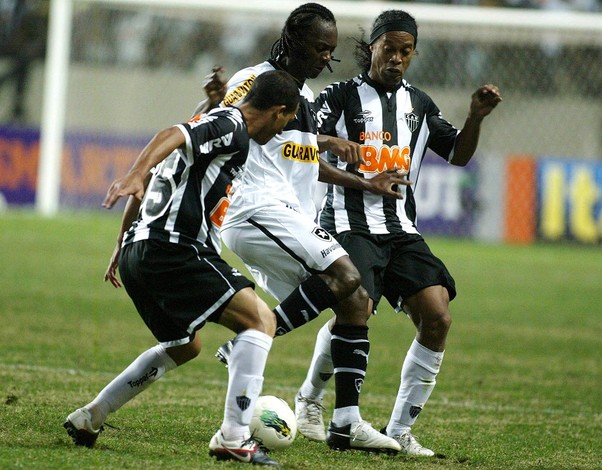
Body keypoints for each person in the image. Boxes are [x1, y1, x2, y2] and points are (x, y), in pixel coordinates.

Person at [292, 9, 503, 456]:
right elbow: (304, 150)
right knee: (357, 307)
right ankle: (310, 399)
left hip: (400, 228)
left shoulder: (420, 105)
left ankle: (400, 428)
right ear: (373, 47)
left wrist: (476, 117)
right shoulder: (339, 96)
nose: (397, 58)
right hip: (347, 222)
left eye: (406, 51)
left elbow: (458, 154)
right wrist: (355, 174)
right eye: (390, 48)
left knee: (438, 316)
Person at [63, 70, 300, 466]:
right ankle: (234, 436)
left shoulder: (215, 126)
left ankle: (92, 416)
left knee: (184, 346)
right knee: (261, 320)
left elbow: (166, 164)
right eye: (286, 123)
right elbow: (170, 134)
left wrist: (122, 243)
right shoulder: (231, 125)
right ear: (279, 112)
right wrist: (135, 170)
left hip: (140, 251)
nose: (280, 133)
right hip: (174, 249)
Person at [213, 3, 408, 454]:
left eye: (331, 51)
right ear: (293, 40)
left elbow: (303, 159)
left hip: (287, 216)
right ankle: (253, 336)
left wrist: (365, 181)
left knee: (354, 301)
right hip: (256, 209)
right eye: (320, 48)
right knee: (346, 276)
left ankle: (347, 422)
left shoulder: (301, 97)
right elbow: (227, 124)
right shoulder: (257, 80)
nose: (326, 58)